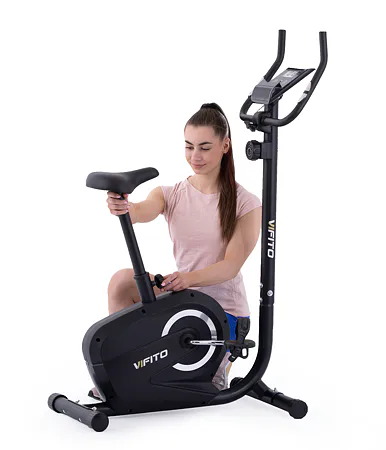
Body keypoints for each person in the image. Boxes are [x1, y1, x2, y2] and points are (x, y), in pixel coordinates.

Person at [90, 102, 262, 400]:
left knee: (202, 386)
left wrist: (187, 279)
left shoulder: (245, 203)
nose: (195, 156)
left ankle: (216, 366)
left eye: (205, 147)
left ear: (225, 146)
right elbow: (140, 210)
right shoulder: (170, 194)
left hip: (223, 313)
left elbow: (231, 266)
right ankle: (120, 373)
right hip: (184, 300)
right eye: (189, 146)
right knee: (121, 281)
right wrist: (124, 207)